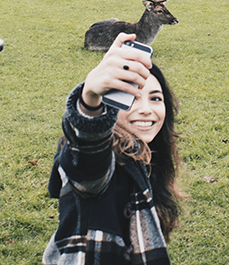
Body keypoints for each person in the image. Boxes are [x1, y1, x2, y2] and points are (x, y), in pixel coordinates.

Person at [42, 33, 183, 265]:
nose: (147, 109)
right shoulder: (107, 159)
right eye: (132, 98)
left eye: (156, 99)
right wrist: (89, 99)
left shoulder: (146, 156)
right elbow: (88, 161)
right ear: (109, 105)